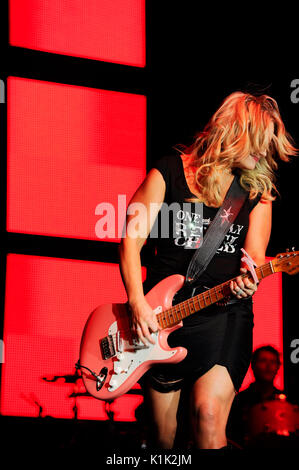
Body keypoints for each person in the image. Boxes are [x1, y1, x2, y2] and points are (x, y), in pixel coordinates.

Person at [118, 91, 297, 450]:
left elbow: (256, 255)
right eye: (259, 144)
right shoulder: (168, 171)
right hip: (161, 316)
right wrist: (137, 303)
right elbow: (130, 241)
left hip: (224, 314)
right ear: (234, 132)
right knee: (161, 440)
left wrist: (252, 277)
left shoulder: (256, 191)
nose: (264, 154)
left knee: (209, 416)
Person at [227, 345, 283, 447]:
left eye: (273, 362)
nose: (268, 366)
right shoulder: (238, 400)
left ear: (278, 366)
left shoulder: (285, 402)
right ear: (253, 365)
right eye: (263, 361)